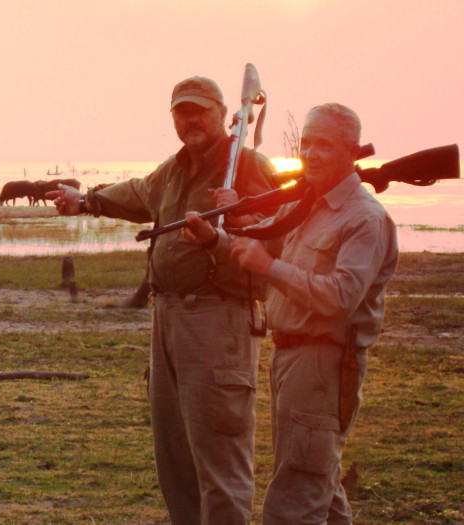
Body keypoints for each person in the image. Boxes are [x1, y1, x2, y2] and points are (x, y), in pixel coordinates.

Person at [49, 76, 276, 524]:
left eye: (201, 110)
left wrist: (237, 219)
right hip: (167, 318)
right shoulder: (173, 170)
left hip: (218, 319)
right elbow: (136, 193)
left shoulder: (247, 165)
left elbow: (280, 238)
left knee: (220, 461)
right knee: (174, 457)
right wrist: (85, 201)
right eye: (181, 111)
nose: (191, 119)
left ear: (223, 112)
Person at [182, 102, 398, 524]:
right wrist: (215, 240)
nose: (311, 153)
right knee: (321, 490)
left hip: (323, 363)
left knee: (294, 503)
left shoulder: (365, 219)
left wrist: (267, 267)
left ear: (352, 151)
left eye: (324, 145)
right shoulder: (307, 204)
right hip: (290, 359)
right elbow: (265, 246)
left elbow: (339, 297)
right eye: (306, 143)